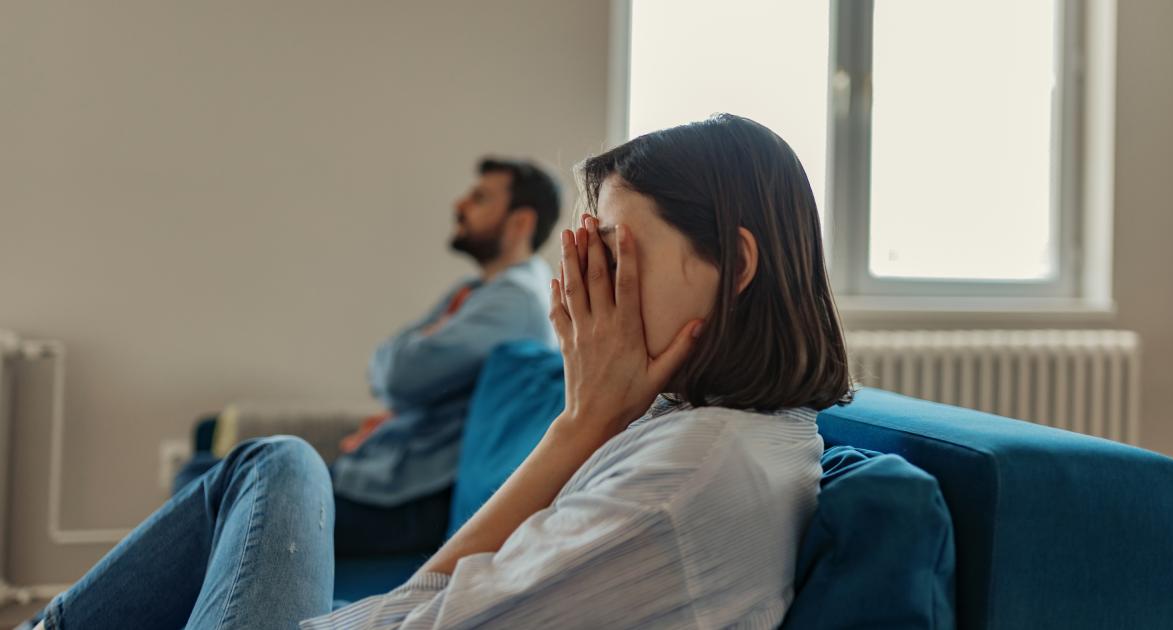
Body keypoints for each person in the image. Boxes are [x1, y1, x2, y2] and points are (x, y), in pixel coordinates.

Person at [32, 114, 851, 630]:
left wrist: (582, 426)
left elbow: (417, 603)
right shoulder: (702, 429)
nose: (583, 286)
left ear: (735, 264)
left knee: (271, 465)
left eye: (609, 250)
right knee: (263, 470)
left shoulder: (688, 474)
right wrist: (583, 426)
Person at [329, 158, 560, 555]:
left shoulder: (515, 301)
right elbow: (385, 365)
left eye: (480, 198)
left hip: (410, 497)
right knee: (230, 475)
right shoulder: (475, 291)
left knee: (241, 486)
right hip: (388, 479)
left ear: (520, 222)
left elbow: (398, 374)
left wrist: (411, 354)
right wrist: (406, 359)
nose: (459, 205)